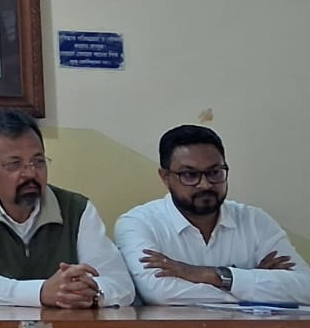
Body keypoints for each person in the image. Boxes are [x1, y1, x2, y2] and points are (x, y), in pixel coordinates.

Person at [0, 110, 134, 307]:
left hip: (69, 326)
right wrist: (39, 292)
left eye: (38, 162)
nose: (30, 173)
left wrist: (90, 293)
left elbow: (121, 285)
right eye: (15, 164)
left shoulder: (77, 210)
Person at [113, 124, 310, 306]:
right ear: (165, 177)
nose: (205, 184)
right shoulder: (138, 223)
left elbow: (305, 287)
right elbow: (160, 293)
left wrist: (208, 274)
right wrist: (252, 284)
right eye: (190, 175)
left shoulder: (254, 221)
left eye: (214, 172)